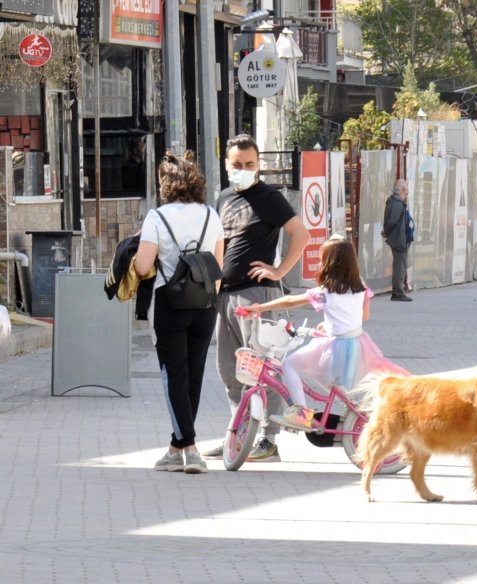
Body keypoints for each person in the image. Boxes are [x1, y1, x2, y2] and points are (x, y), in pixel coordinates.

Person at [204, 134, 310, 462]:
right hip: (227, 297)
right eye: (237, 165)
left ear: (259, 165)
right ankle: (239, 433)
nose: (244, 170)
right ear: (226, 165)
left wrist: (279, 271)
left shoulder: (268, 197)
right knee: (231, 370)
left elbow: (301, 235)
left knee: (265, 368)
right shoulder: (222, 198)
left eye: (250, 165)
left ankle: (269, 439)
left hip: (260, 297)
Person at [238, 235, 408, 430]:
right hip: (356, 343)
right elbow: (363, 316)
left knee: (289, 365)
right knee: (334, 384)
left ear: (329, 263)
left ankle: (301, 413)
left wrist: (260, 308)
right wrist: (331, 325)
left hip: (336, 345)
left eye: (322, 259)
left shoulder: (326, 291)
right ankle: (355, 411)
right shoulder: (360, 286)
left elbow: (291, 301)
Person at [134, 150, 225, 474]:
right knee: (194, 374)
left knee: (174, 374)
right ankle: (176, 446)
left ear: (166, 184)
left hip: (170, 303)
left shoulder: (157, 218)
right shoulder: (211, 215)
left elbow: (144, 264)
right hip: (204, 304)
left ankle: (190, 447)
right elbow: (218, 266)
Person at [383, 178, 413, 301]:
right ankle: (398, 292)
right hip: (399, 239)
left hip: (399, 238)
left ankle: (398, 291)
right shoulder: (397, 204)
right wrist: (386, 232)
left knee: (400, 265)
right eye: (406, 189)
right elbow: (393, 220)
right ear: (401, 190)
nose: (407, 192)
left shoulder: (395, 202)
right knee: (400, 266)